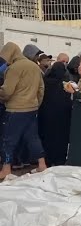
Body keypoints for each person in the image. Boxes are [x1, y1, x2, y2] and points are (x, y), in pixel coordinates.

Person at [0, 42, 47, 180]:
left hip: (15, 110)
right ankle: (42, 164)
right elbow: (41, 89)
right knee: (33, 138)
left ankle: (6, 168)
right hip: (31, 108)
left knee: (8, 139)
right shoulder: (35, 67)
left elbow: (7, 91)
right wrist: (36, 103)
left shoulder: (13, 68)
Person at [38, 62, 72, 166]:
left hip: (46, 115)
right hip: (62, 116)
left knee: (47, 137)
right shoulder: (66, 84)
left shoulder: (45, 81)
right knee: (61, 138)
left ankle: (47, 159)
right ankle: (59, 159)